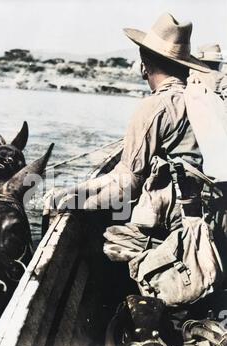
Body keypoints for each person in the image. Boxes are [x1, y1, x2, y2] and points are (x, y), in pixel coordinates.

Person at [54, 13, 209, 219]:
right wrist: (77, 189)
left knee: (114, 240)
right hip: (206, 209)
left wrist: (70, 204)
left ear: (144, 68)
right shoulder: (203, 98)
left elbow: (125, 188)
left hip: (179, 220)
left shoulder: (155, 105)